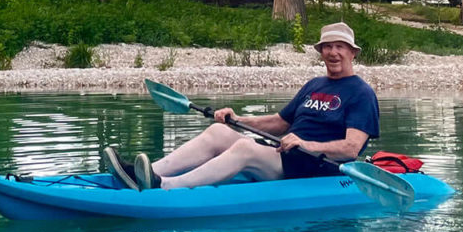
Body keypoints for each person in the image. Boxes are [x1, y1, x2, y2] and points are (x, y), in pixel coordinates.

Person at [103, 22, 379, 191]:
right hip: (285, 154)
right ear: (320, 52)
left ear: (353, 52)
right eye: (327, 47)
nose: (333, 53)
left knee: (246, 147)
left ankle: (166, 186)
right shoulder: (314, 84)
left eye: (340, 47)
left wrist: (307, 144)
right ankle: (150, 173)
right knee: (219, 132)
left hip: (316, 168)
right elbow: (280, 123)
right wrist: (237, 118)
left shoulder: (361, 93)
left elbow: (350, 148)